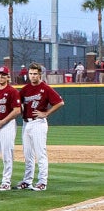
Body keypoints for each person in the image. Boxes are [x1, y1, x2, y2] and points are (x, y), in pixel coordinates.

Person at [18, 62, 65, 191]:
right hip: (26, 123)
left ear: (40, 74)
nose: (32, 76)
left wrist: (46, 113)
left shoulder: (45, 88)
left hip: (38, 123)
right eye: (31, 73)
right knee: (28, 154)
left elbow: (60, 102)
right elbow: (18, 104)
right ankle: (27, 181)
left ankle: (42, 181)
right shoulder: (25, 89)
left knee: (40, 153)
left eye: (35, 74)